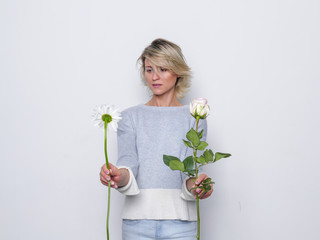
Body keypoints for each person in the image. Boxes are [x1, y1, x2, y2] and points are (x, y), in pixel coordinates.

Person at [99, 38, 213, 239]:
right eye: (149, 69)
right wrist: (117, 175)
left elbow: (191, 171)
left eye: (163, 69)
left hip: (182, 225)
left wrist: (199, 185)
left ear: (177, 72)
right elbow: (128, 164)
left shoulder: (194, 117)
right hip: (137, 225)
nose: (155, 76)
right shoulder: (130, 117)